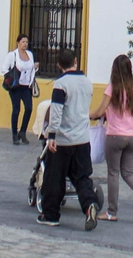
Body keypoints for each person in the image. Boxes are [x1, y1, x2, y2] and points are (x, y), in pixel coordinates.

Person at [90, 54, 133, 223]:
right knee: (128, 172)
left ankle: (112, 212)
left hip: (115, 136)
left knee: (113, 173)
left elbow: (100, 111)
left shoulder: (112, 88)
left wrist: (88, 116)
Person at [37, 48, 101, 230]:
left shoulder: (60, 84)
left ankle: (50, 215)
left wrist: (51, 135)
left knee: (54, 178)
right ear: (75, 62)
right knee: (82, 177)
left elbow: (56, 112)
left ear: (58, 65)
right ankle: (89, 205)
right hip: (82, 138)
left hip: (63, 140)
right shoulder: (87, 83)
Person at [5, 34, 39, 145]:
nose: (25, 44)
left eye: (26, 42)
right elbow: (4, 68)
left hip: (26, 86)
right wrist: (10, 75)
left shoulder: (30, 54)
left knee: (29, 108)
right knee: (16, 109)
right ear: (18, 43)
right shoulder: (12, 55)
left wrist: (34, 67)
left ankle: (23, 132)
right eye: (23, 42)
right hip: (15, 86)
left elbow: (30, 69)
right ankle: (14, 134)